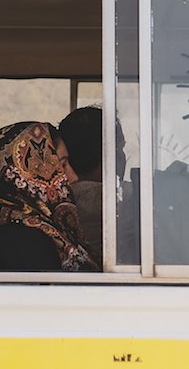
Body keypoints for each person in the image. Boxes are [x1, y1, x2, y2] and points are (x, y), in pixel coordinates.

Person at [0, 122, 99, 271]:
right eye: (61, 166)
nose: (73, 177)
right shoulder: (25, 245)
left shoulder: (46, 233)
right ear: (30, 174)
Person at [58, 106, 138, 263]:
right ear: (109, 153)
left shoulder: (59, 193)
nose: (123, 155)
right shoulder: (109, 197)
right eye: (120, 147)